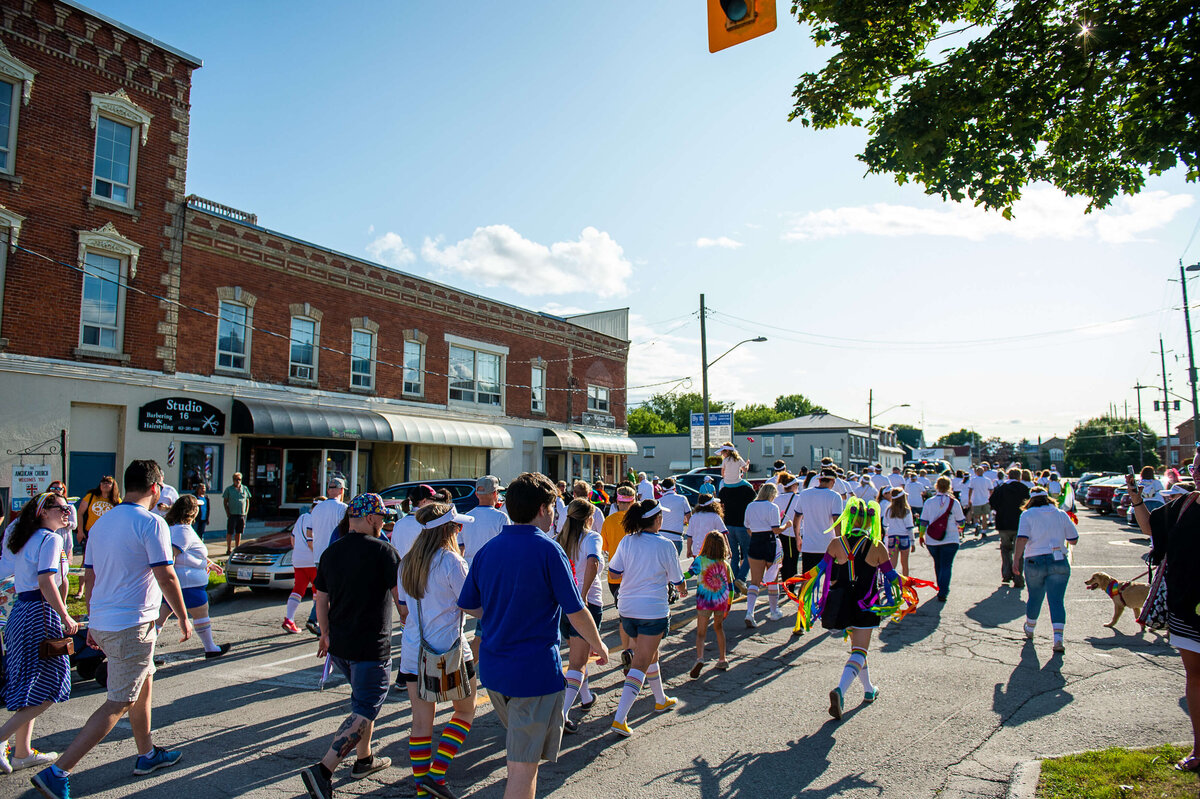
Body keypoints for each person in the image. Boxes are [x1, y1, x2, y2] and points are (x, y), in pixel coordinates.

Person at [33, 460, 192, 799]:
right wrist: (182, 615)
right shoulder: (152, 522)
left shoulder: (103, 522)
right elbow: (166, 575)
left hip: (108, 621)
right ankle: (58, 772)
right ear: (155, 488)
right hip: (132, 625)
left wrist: (93, 620)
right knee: (118, 702)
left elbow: (90, 576)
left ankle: (147, 754)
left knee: (143, 682)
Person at [458, 472, 608, 799]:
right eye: (553, 508)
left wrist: (499, 613)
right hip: (534, 673)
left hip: (494, 672)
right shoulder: (548, 550)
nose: (555, 515)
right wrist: (599, 644)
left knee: (519, 757)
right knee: (523, 770)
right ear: (542, 508)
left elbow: (468, 604)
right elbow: (576, 609)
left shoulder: (488, 550)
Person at [300, 493, 401, 799]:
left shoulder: (332, 552)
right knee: (365, 708)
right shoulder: (384, 551)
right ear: (370, 518)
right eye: (381, 517)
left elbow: (321, 597)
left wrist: (324, 633)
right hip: (371, 645)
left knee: (362, 703)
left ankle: (364, 759)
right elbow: (402, 601)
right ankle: (323, 771)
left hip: (340, 645)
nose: (383, 522)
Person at [397, 502, 477, 799]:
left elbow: (404, 607)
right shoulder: (452, 562)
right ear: (448, 530)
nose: (459, 530)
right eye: (457, 526)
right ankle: (437, 773)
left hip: (413, 652)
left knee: (421, 722)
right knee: (465, 711)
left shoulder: (407, 562)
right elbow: (471, 604)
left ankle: (423, 791)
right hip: (450, 650)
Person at [1130, 457, 1200, 773]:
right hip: (1186, 607)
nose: (1197, 474)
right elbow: (1150, 527)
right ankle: (1199, 750)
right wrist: (1136, 498)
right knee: (1196, 677)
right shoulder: (1184, 505)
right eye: (1195, 468)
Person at [0, 493, 77, 775]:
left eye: (69, 508)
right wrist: (65, 614)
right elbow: (46, 581)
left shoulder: (27, 538)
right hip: (39, 613)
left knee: (30, 683)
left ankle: (22, 752)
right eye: (62, 508)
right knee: (53, 684)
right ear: (44, 512)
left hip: (22, 611)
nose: (67, 512)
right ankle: (2, 739)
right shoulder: (50, 539)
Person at [607, 498, 687, 737]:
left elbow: (614, 571)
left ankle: (660, 699)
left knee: (651, 655)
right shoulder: (665, 545)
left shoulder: (627, 541)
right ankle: (620, 718)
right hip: (652, 610)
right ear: (657, 520)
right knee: (641, 661)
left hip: (627, 608)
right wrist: (682, 590)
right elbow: (677, 579)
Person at [814, 499, 898, 720]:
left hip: (842, 605)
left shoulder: (835, 543)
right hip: (865, 604)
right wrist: (907, 585)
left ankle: (869, 689)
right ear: (871, 521)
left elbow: (820, 570)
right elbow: (891, 576)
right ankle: (840, 691)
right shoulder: (877, 546)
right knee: (860, 650)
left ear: (849, 519)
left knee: (857, 649)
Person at [158, 496, 229, 659]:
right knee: (201, 614)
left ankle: (146, 653)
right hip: (188, 584)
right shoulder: (182, 531)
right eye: (197, 507)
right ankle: (210, 648)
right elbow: (172, 556)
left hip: (183, 583)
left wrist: (209, 563)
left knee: (159, 619)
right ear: (192, 511)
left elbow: (189, 553)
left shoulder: (177, 528)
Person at [556, 499, 604, 733]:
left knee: (578, 656)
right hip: (586, 604)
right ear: (589, 518)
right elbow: (593, 561)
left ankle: (586, 697)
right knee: (578, 662)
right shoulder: (592, 537)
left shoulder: (560, 539)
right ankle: (562, 713)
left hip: (563, 605)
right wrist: (583, 594)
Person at [1012, 488, 1078, 652]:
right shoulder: (1061, 514)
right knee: (1056, 600)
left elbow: (1022, 538)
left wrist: (1016, 559)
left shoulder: (1027, 515)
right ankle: (1058, 638)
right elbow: (1073, 539)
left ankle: (1030, 628)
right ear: (1048, 499)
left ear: (1031, 500)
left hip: (1034, 559)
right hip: (1058, 559)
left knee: (1035, 597)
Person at [791, 469, 845, 635]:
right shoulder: (834, 496)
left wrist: (797, 538)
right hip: (829, 547)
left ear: (820, 479)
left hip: (810, 546)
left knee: (806, 584)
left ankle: (800, 622)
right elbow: (837, 522)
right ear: (832, 481)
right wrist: (841, 544)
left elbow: (796, 519)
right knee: (834, 583)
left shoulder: (804, 494)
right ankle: (833, 620)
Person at [686, 531, 734, 678]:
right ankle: (722, 658)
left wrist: (677, 578)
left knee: (701, 633)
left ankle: (700, 658)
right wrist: (728, 605)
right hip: (720, 602)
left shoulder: (700, 560)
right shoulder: (725, 564)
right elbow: (731, 587)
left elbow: (689, 574)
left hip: (704, 601)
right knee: (719, 628)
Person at [305, 479, 349, 636]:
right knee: (334, 590)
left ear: (329, 490)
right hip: (335, 555)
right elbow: (346, 531)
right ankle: (318, 620)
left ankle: (319, 620)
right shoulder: (342, 508)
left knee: (324, 590)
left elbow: (309, 532)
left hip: (319, 556)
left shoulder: (317, 509)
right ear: (341, 490)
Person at [919, 476, 966, 602]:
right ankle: (943, 591)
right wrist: (960, 528)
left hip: (932, 539)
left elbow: (923, 521)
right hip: (950, 538)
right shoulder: (954, 502)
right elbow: (961, 521)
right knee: (946, 565)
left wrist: (921, 535)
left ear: (937, 486)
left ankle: (940, 587)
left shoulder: (929, 502)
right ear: (950, 487)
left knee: (938, 564)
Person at [601, 487, 637, 654]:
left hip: (615, 576)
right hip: (636, 575)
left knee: (624, 616)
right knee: (636, 616)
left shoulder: (609, 521)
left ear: (617, 502)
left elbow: (605, 547)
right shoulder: (639, 520)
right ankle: (634, 651)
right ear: (634, 501)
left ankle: (627, 649)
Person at [743, 483, 784, 628]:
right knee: (773, 579)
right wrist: (787, 526)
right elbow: (776, 529)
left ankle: (749, 612)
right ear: (772, 494)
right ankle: (774, 611)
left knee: (755, 581)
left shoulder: (750, 506)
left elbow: (747, 527)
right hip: (770, 542)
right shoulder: (773, 507)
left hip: (755, 541)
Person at [284, 497, 323, 633]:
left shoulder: (301, 518)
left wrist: (299, 552)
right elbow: (312, 541)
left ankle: (289, 619)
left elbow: (293, 538)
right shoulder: (317, 519)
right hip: (312, 560)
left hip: (298, 560)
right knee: (318, 591)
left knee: (298, 589)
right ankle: (316, 620)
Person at [990, 469, 1032, 589]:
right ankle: (1018, 577)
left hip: (1003, 523)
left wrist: (1000, 510)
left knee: (1005, 549)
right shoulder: (1024, 489)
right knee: (1019, 552)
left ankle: (1006, 574)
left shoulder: (1001, 488)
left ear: (1008, 476)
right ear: (1019, 477)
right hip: (1019, 524)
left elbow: (992, 502)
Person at [717, 477, 756, 593]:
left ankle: (734, 586)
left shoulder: (724, 490)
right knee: (749, 554)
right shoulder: (747, 489)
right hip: (743, 525)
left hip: (728, 525)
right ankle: (741, 579)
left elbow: (720, 505)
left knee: (734, 556)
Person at [463, 476, 511, 567]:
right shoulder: (501, 517)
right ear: (495, 493)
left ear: (476, 494)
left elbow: (461, 547)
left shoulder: (466, 517)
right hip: (493, 566)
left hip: (470, 567)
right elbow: (507, 547)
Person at [77, 475, 120, 552]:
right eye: (103, 482)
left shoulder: (117, 501)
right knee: (87, 557)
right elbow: (80, 513)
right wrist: (80, 531)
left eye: (108, 483)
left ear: (113, 486)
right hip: (90, 533)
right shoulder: (91, 496)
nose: (105, 484)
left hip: (108, 535)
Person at [774, 474, 802, 584]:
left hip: (781, 532)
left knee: (783, 560)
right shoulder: (799, 498)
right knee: (793, 560)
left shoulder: (777, 499)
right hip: (796, 533)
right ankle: (791, 586)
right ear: (793, 485)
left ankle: (785, 582)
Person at [883, 488, 915, 578]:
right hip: (904, 537)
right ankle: (905, 583)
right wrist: (912, 542)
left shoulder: (888, 510)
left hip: (892, 537)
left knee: (892, 564)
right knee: (905, 564)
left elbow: (884, 524)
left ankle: (890, 583)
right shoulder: (906, 510)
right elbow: (909, 527)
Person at [656, 477, 691, 555]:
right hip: (676, 537)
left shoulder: (658, 502)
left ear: (662, 489)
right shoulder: (682, 499)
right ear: (674, 488)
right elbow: (690, 519)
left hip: (661, 537)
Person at [222, 472, 252, 555]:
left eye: (239, 479)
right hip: (232, 514)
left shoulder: (244, 488)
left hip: (241, 514)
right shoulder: (229, 489)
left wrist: (246, 512)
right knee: (230, 532)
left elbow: (247, 501)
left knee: (239, 532)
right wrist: (227, 512)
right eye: (236, 479)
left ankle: (237, 548)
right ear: (233, 480)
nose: (238, 481)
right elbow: (225, 502)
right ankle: (228, 548)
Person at [967, 466, 993, 534]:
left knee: (976, 516)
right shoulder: (987, 480)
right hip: (985, 500)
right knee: (984, 516)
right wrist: (990, 498)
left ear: (976, 472)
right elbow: (991, 490)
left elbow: (970, 490)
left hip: (976, 500)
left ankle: (977, 525)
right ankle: (984, 531)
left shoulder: (973, 480)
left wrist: (969, 499)